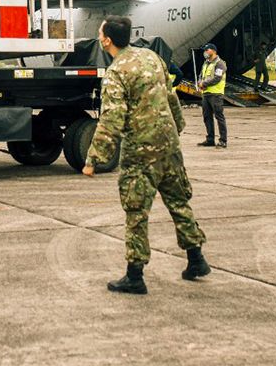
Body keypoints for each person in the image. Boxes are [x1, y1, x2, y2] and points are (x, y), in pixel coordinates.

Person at [82, 15, 210, 294]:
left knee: (136, 211)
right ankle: (196, 258)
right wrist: (177, 126)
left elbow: (112, 119)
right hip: (168, 144)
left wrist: (94, 158)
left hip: (141, 150)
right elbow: (171, 95)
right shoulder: (151, 57)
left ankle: (135, 275)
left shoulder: (116, 72)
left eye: (100, 32)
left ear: (106, 40)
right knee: (178, 202)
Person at [196, 43, 228, 148]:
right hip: (206, 94)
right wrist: (200, 83)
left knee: (219, 117)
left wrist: (204, 84)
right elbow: (201, 75)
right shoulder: (206, 63)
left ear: (213, 51)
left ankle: (223, 140)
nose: (205, 52)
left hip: (216, 94)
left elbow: (217, 78)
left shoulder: (220, 63)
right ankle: (210, 139)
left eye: (207, 50)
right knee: (207, 117)